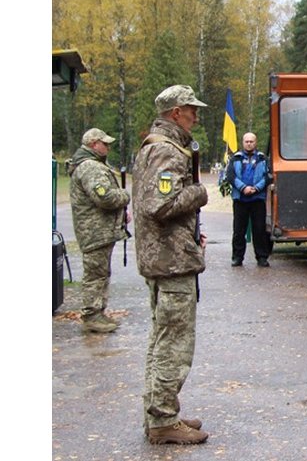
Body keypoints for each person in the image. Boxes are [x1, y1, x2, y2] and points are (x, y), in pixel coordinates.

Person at [132, 85, 210, 445]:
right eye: (191, 110)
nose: (196, 115)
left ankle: (160, 412)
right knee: (174, 343)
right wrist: (200, 192)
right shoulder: (165, 151)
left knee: (162, 338)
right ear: (176, 112)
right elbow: (160, 206)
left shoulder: (158, 146)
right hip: (171, 262)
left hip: (165, 257)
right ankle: (163, 418)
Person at [68, 128, 131, 333]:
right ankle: (92, 315)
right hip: (95, 231)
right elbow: (104, 198)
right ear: (94, 144)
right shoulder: (90, 168)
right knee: (95, 274)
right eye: (105, 143)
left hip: (99, 230)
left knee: (100, 273)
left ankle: (98, 313)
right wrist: (124, 196)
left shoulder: (91, 165)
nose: (108, 147)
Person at [229, 132, 271, 267]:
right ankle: (237, 257)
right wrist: (243, 188)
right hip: (240, 199)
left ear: (256, 142)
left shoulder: (263, 158)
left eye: (251, 141)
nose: (249, 144)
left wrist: (256, 188)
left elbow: (269, 176)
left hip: (257, 199)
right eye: (246, 141)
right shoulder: (235, 158)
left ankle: (262, 257)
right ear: (243, 143)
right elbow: (230, 176)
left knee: (259, 230)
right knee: (238, 231)